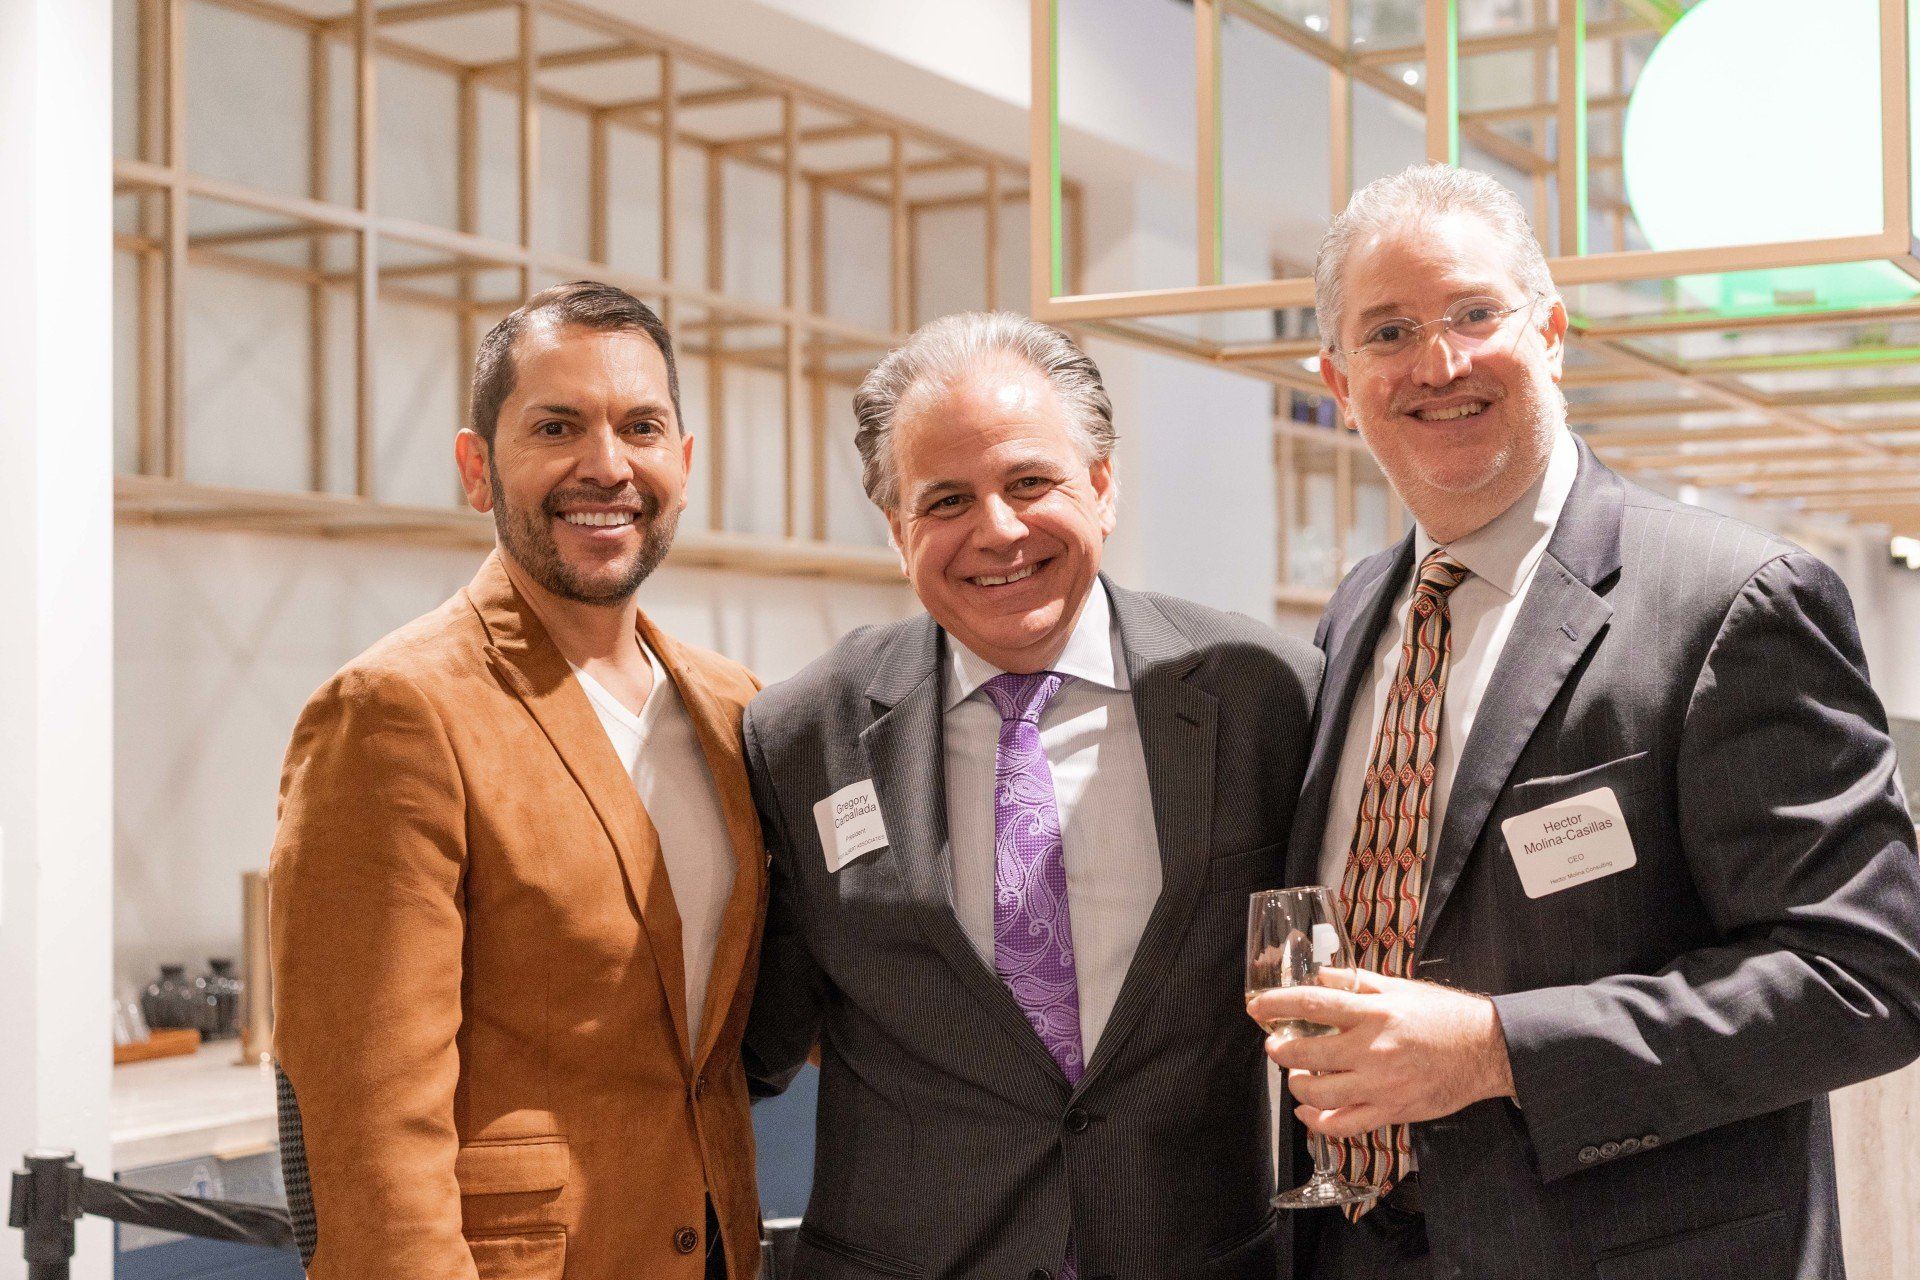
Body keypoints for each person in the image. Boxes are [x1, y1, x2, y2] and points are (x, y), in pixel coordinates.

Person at [1248, 164, 1920, 1280]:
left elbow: (1867, 978)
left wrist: (1498, 1048)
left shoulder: (1733, 599)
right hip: (1352, 1243)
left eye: (1475, 312)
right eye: (1390, 331)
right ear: (1337, 377)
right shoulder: (1357, 610)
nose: (1440, 362)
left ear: (1552, 331)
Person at [742, 312, 1322, 1279]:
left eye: (1028, 481)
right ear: (897, 530)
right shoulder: (803, 733)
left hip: (1192, 1255)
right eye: (946, 501)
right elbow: (764, 1026)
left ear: (1101, 485)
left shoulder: (1265, 693)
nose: (997, 531)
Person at [269, 282, 766, 1280]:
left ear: (683, 460)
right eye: (556, 425)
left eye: (641, 426)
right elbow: (370, 1130)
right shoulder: (395, 709)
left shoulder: (735, 708)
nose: (606, 465)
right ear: (476, 465)